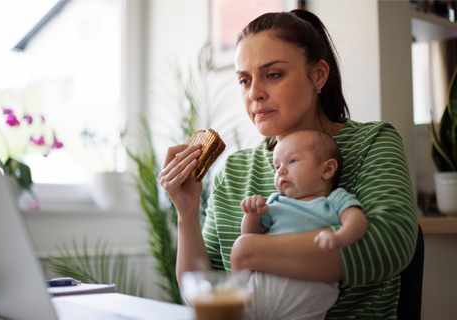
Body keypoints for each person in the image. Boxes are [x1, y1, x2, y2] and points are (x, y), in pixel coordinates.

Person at [159, 8, 418, 319]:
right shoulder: (235, 170)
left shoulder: (372, 143)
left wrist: (250, 251)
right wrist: (187, 215)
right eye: (244, 80)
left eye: (273, 74)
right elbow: (204, 290)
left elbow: (390, 247)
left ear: (318, 75)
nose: (254, 93)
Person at [238, 129, 368, 320]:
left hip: (309, 290)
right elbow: (249, 239)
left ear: (326, 169)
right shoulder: (274, 202)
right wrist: (252, 214)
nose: (280, 170)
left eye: (292, 161)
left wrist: (340, 237)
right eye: (276, 167)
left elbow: (357, 220)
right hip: (262, 286)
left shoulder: (334, 200)